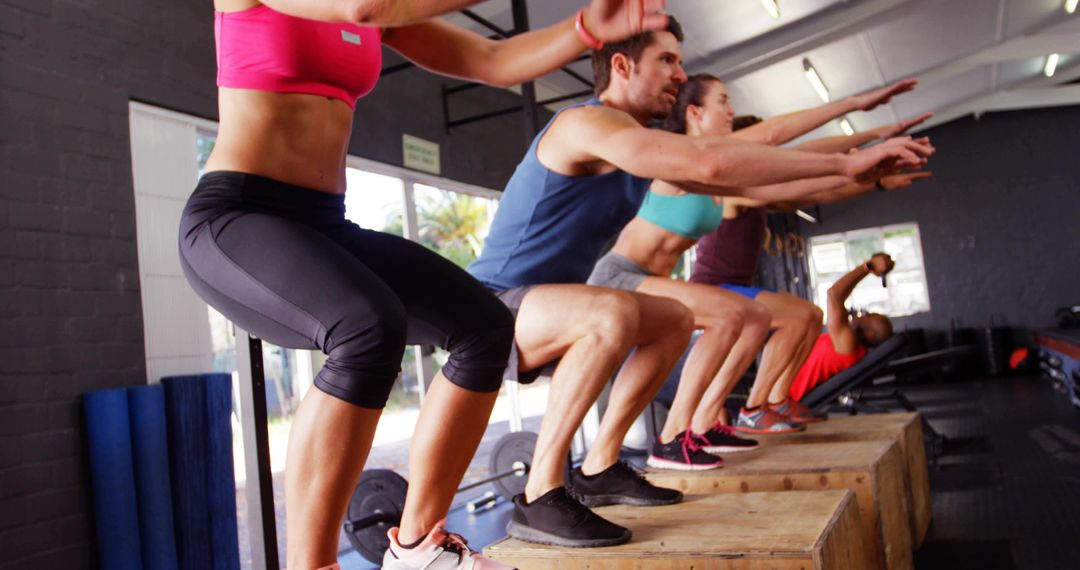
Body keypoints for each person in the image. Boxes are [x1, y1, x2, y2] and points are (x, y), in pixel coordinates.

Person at [179, 0, 672, 568]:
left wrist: (583, 29)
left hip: (324, 224)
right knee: (366, 327)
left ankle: (417, 547)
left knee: (485, 327)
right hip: (236, 218)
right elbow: (364, 7)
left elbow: (493, 60)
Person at [467, 18, 932, 546]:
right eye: (667, 61)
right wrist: (857, 126)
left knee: (676, 320)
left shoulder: (646, 153)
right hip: (513, 304)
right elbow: (736, 153)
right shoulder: (611, 132)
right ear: (623, 67)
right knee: (667, 312)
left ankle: (602, 466)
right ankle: (544, 492)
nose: (681, 75)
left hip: (566, 299)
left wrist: (857, 169)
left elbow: (776, 179)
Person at [589, 73, 931, 464]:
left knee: (751, 317)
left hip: (653, 280)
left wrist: (864, 166)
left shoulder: (717, 183)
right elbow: (772, 136)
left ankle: (701, 425)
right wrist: (856, 107)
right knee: (735, 313)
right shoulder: (680, 159)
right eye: (722, 101)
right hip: (621, 276)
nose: (731, 110)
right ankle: (675, 436)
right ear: (695, 114)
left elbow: (799, 180)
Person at [690, 110, 930, 431]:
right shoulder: (735, 191)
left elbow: (817, 193)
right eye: (765, 152)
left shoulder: (759, 196)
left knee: (806, 319)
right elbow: (809, 185)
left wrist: (875, 182)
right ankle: (755, 408)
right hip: (712, 290)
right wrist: (857, 171)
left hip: (732, 291)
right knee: (801, 315)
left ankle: (771, 402)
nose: (771, 160)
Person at [787, 253, 896, 401]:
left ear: (870, 334)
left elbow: (834, 294)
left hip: (783, 395)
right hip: (778, 382)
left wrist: (868, 266)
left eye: (866, 317)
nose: (859, 316)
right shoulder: (846, 342)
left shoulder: (848, 345)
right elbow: (839, 296)